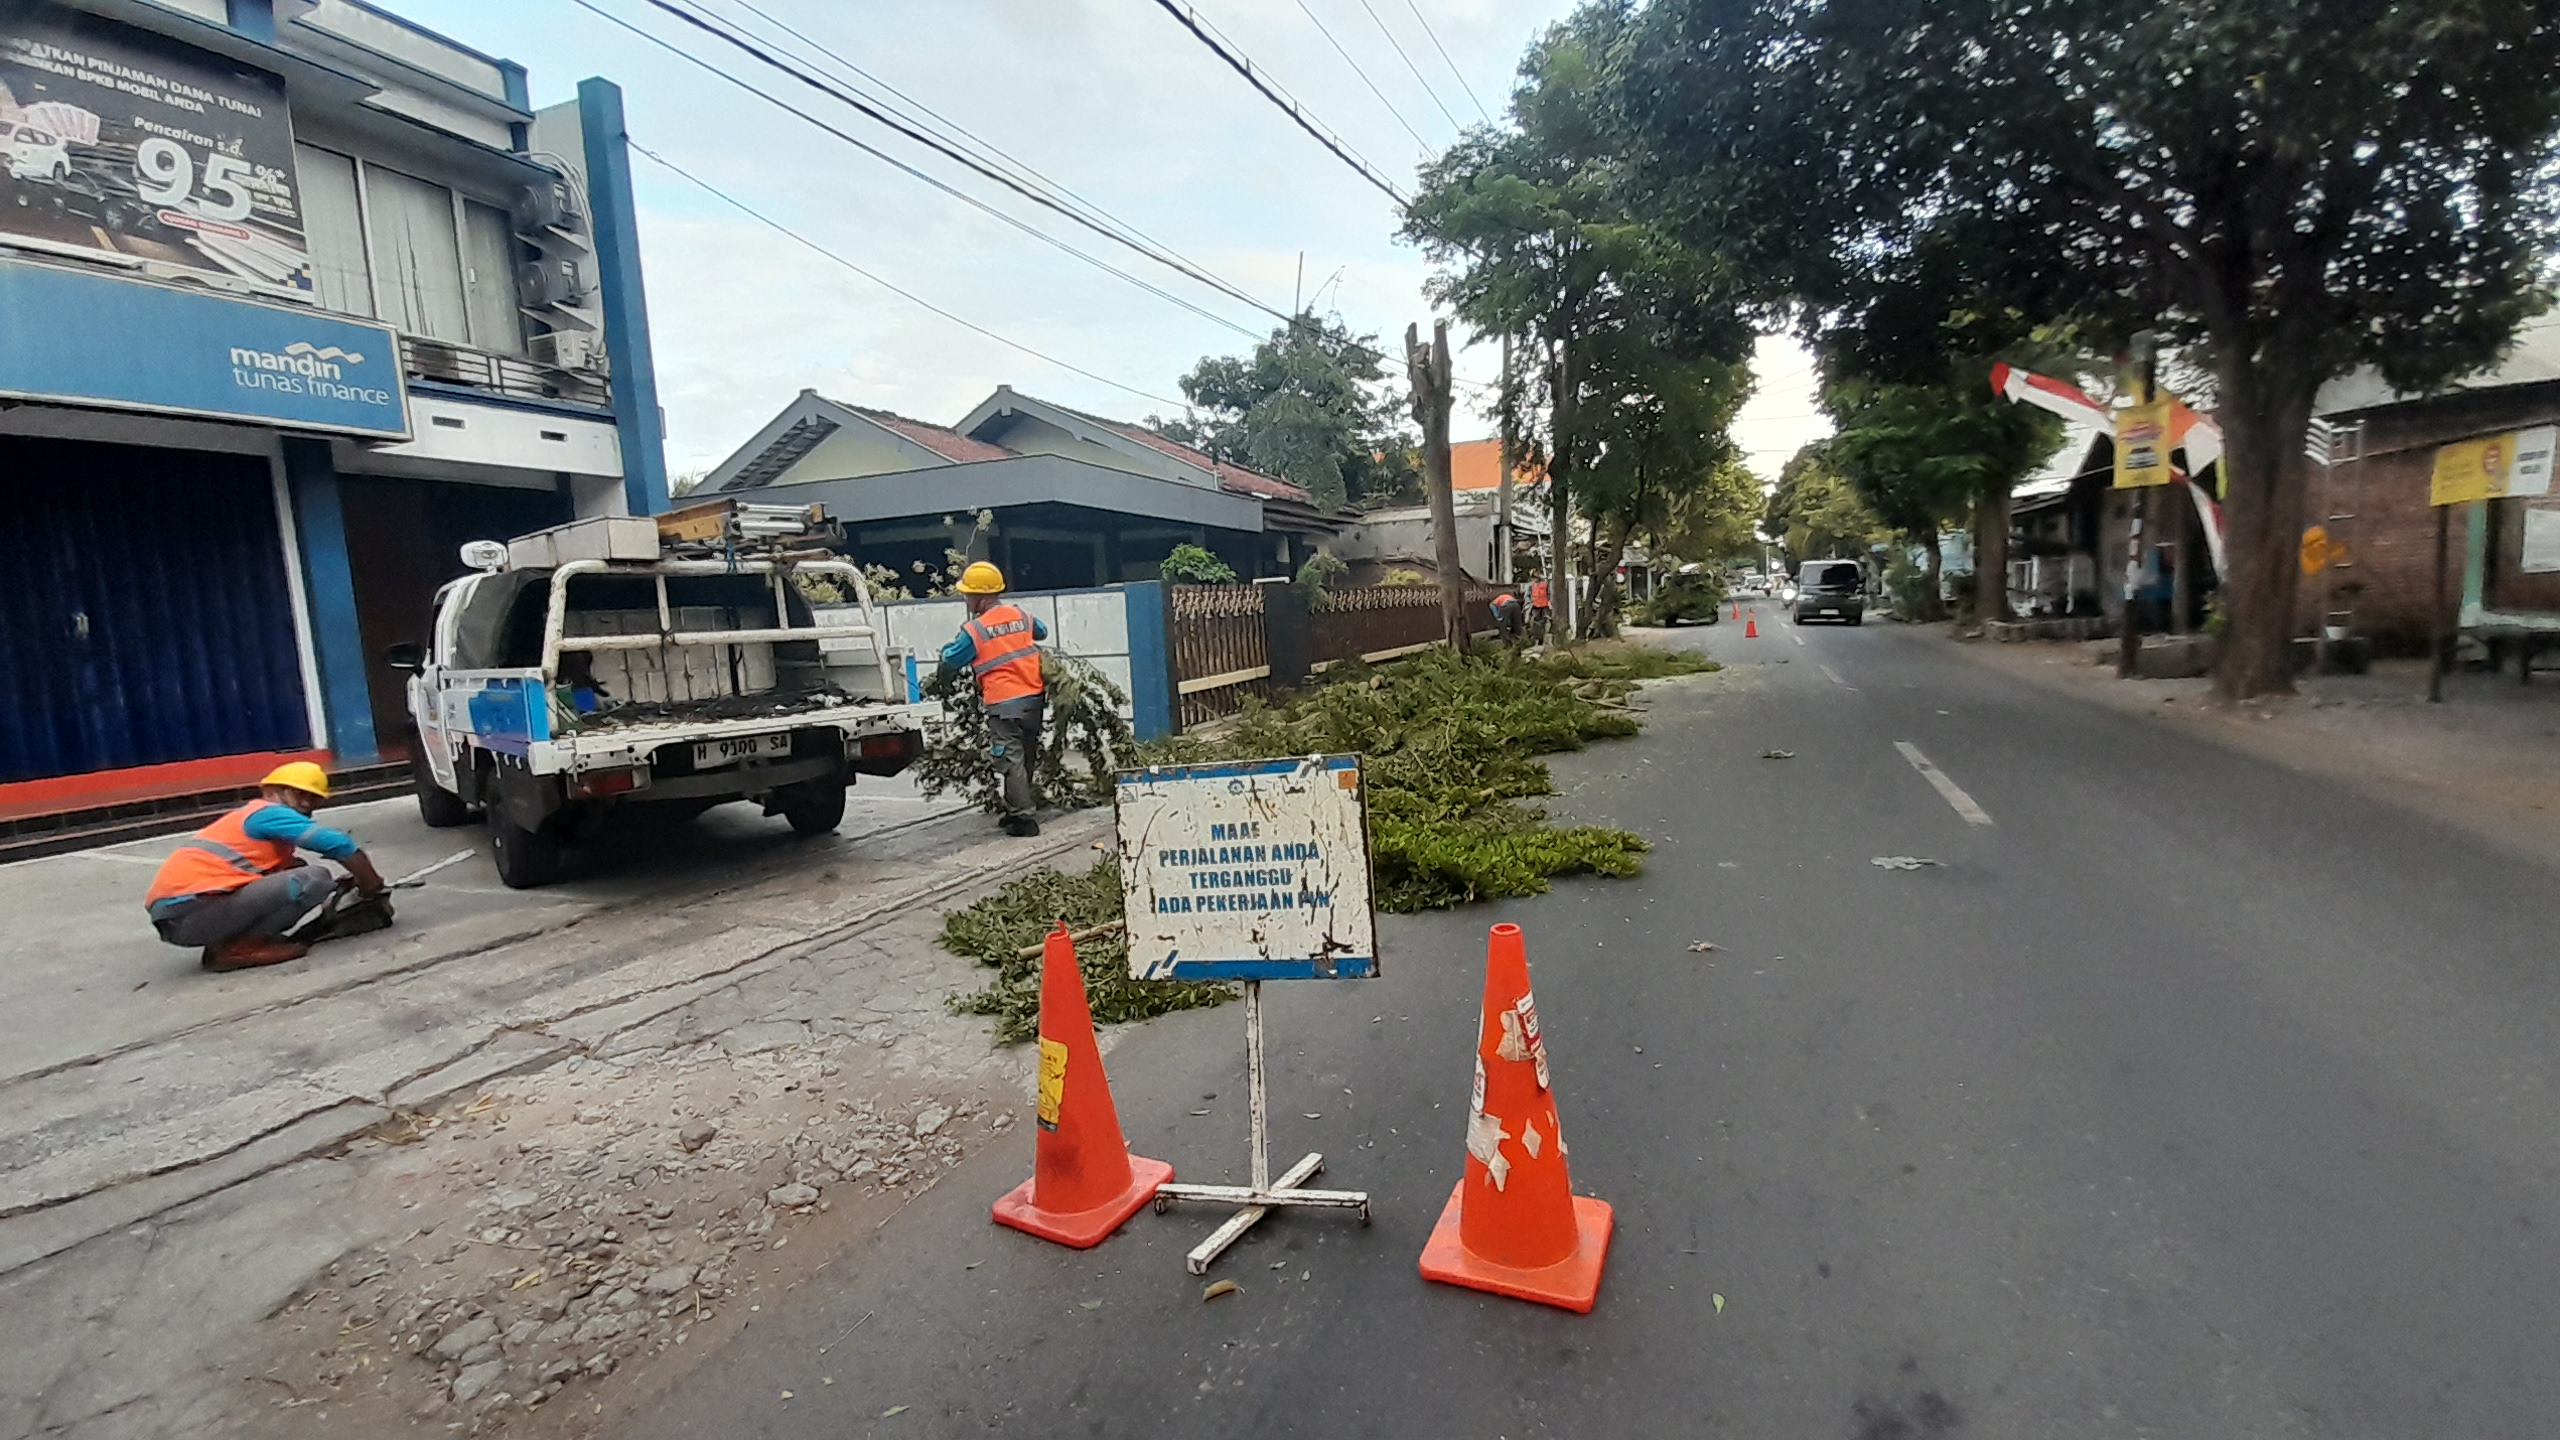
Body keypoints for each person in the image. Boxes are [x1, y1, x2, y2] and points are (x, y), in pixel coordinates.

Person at [142, 762, 390, 971]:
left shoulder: (250, 820)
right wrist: (371, 885)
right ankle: (240, 947)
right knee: (314, 879)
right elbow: (340, 845)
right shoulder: (267, 813)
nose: (307, 802)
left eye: (313, 797)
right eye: (298, 793)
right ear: (273, 791)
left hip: (182, 916)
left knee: (295, 870)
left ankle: (233, 942)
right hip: (189, 913)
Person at [939, 561, 1048, 837]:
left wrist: (950, 646)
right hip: (1033, 698)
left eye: (968, 593)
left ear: (982, 596)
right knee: (1025, 757)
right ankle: (1016, 810)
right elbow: (1042, 632)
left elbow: (951, 659)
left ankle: (1024, 820)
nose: (966, 598)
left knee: (1010, 760)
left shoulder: (976, 629)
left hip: (1003, 703)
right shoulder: (1020, 615)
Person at [1527, 574, 1552, 642]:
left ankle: (1540, 638)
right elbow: (1528, 596)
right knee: (1538, 622)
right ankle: (1537, 637)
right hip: (1537, 606)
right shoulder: (1532, 585)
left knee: (1540, 622)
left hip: (1542, 606)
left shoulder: (1544, 584)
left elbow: (1549, 594)